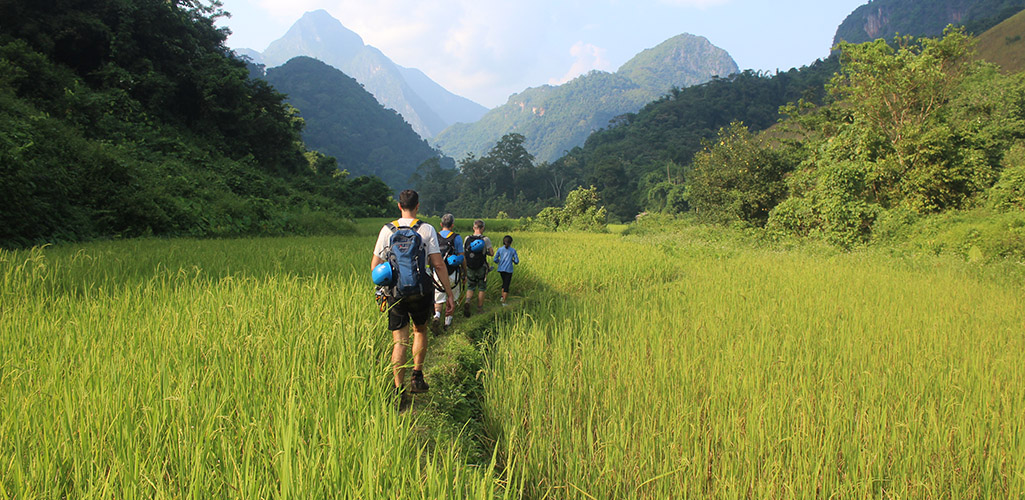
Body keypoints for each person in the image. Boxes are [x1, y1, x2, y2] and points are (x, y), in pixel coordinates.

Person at [371, 190, 454, 397]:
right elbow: (438, 264)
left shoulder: (387, 230)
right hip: (421, 290)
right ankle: (417, 377)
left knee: (399, 340)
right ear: (418, 206)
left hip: (395, 292)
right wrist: (449, 294)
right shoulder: (426, 229)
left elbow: (375, 267)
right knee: (420, 331)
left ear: (399, 206)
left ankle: (398, 389)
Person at [432, 214, 464, 331]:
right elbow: (462, 257)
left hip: (437, 274)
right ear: (452, 225)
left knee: (438, 298)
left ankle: (437, 316)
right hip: (452, 273)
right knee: (452, 298)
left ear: (441, 224)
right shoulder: (457, 238)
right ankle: (447, 323)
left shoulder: (435, 236)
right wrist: (464, 273)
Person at [462, 219, 494, 316]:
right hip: (481, 267)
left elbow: (464, 252)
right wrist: (485, 252)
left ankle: (467, 301)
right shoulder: (485, 239)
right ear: (482, 228)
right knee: (481, 287)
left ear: (474, 228)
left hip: (470, 266)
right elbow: (492, 253)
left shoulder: (467, 238)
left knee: (470, 286)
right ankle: (480, 309)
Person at [493, 235, 519, 306]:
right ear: (511, 243)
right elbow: (517, 261)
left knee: (504, 283)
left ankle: (502, 297)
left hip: (501, 269)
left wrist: (500, 262)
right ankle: (503, 302)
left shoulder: (500, 249)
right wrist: (513, 260)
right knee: (506, 285)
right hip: (509, 270)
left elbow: (495, 259)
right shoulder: (513, 250)